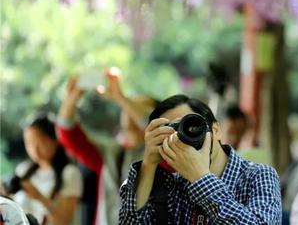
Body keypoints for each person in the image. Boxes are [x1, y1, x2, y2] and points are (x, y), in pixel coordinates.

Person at [118, 94, 282, 224]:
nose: (183, 136)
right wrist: (149, 164)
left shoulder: (258, 175)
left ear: (216, 129)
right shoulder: (171, 183)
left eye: (190, 125)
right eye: (171, 131)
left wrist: (200, 178)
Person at [56, 72, 157, 225]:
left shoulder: (166, 156)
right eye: (126, 106)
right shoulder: (111, 153)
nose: (129, 111)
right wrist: (72, 97)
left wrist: (121, 98)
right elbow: (68, 135)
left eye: (137, 107)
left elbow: (159, 130)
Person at [1, 114, 83, 225]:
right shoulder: (23, 170)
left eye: (40, 142)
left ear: (55, 140)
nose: (34, 149)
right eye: (29, 143)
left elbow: (64, 221)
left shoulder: (70, 173)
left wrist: (39, 197)